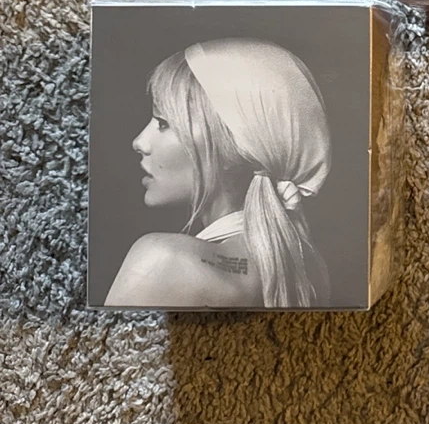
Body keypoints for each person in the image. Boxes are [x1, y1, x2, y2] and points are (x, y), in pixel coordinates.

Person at [104, 38, 331, 309]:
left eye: (163, 123)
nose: (140, 142)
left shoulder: (164, 261)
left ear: (233, 151)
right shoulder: (308, 268)